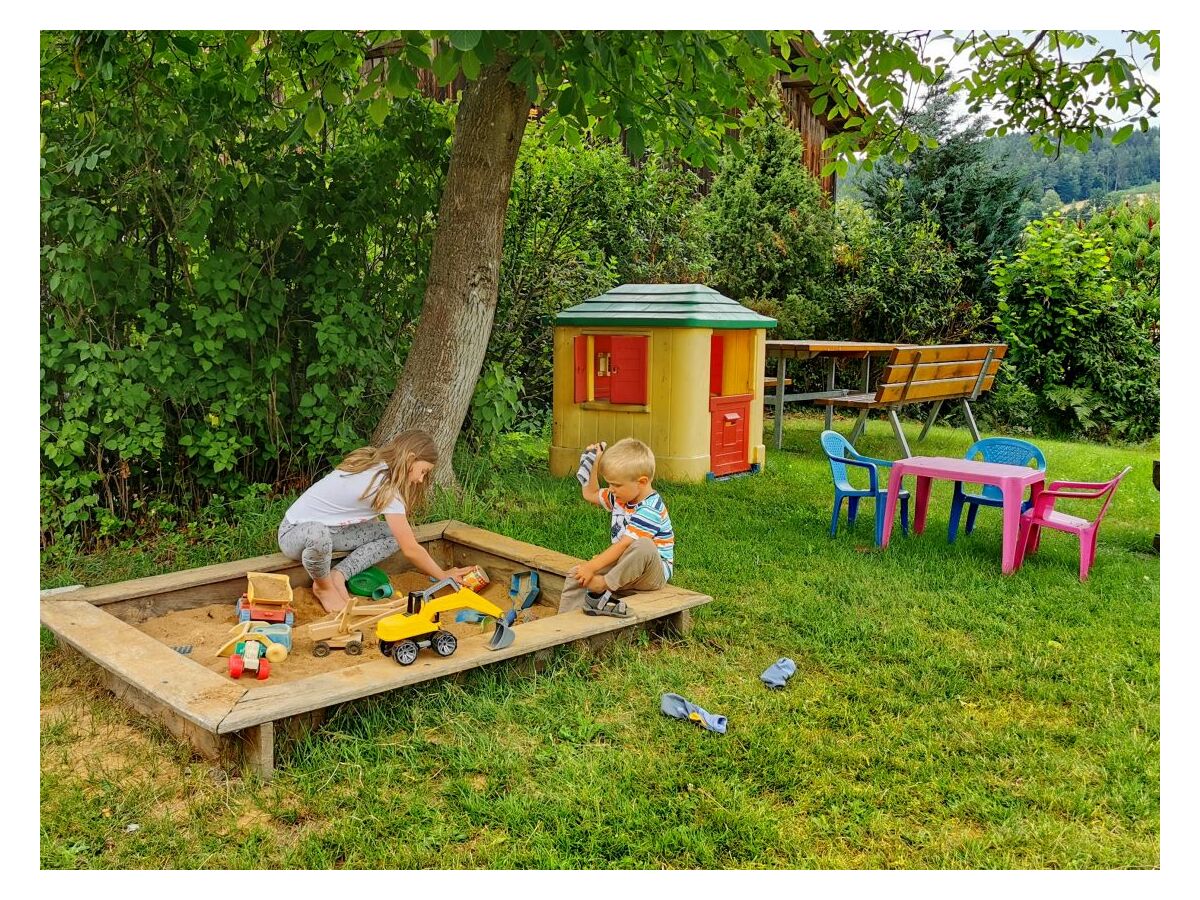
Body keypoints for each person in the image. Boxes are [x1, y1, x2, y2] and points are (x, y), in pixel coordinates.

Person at [277, 430, 474, 613]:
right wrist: (443, 574)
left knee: (391, 534)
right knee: (318, 534)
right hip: (295, 533)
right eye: (423, 471)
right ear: (411, 459)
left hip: (335, 532)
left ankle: (339, 575)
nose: (421, 480)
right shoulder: (384, 486)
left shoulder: (381, 469)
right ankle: (324, 586)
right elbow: (411, 549)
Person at [562, 437, 675, 617]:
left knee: (643, 545)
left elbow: (624, 545)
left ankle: (603, 585)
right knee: (577, 574)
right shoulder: (621, 498)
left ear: (642, 481)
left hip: (652, 574)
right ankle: (564, 623)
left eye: (616, 484)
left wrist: (594, 567)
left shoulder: (650, 508)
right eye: (609, 484)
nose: (611, 489)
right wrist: (594, 462)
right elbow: (590, 493)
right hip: (624, 566)